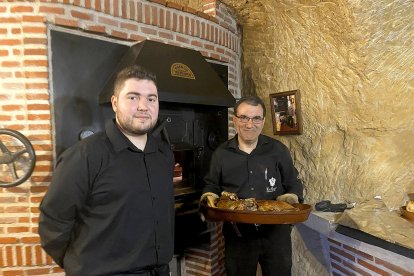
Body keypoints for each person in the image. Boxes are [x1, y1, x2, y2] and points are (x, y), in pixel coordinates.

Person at [39, 65, 175, 276]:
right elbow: (53, 221)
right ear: (114, 103)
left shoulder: (164, 154)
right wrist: (81, 264)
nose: (143, 106)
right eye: (132, 97)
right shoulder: (85, 155)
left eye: (151, 99)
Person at [201, 95, 303, 276]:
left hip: (275, 233)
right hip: (238, 234)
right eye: (244, 118)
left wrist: (290, 200)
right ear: (234, 120)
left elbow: (293, 183)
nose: (250, 124)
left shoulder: (278, 150)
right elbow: (211, 185)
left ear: (263, 121)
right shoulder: (221, 154)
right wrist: (209, 197)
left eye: (256, 118)